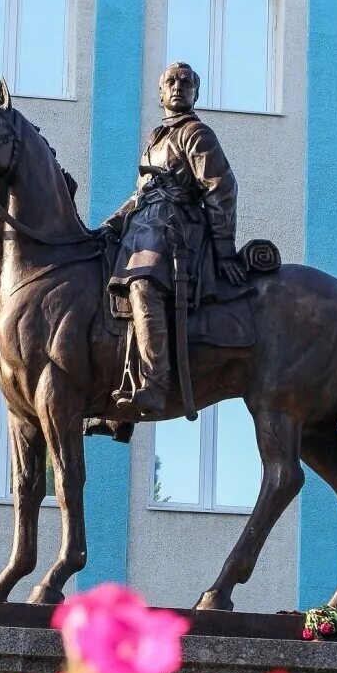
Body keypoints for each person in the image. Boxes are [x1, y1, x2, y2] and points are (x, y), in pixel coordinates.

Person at [101, 61, 244, 416]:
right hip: (145, 225)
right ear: (160, 92)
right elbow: (141, 195)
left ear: (195, 92)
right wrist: (109, 225)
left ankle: (154, 383)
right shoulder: (155, 141)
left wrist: (224, 249)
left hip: (177, 228)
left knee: (142, 285)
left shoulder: (196, 134)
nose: (178, 87)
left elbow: (221, 188)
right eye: (170, 81)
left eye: (185, 82)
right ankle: (117, 390)